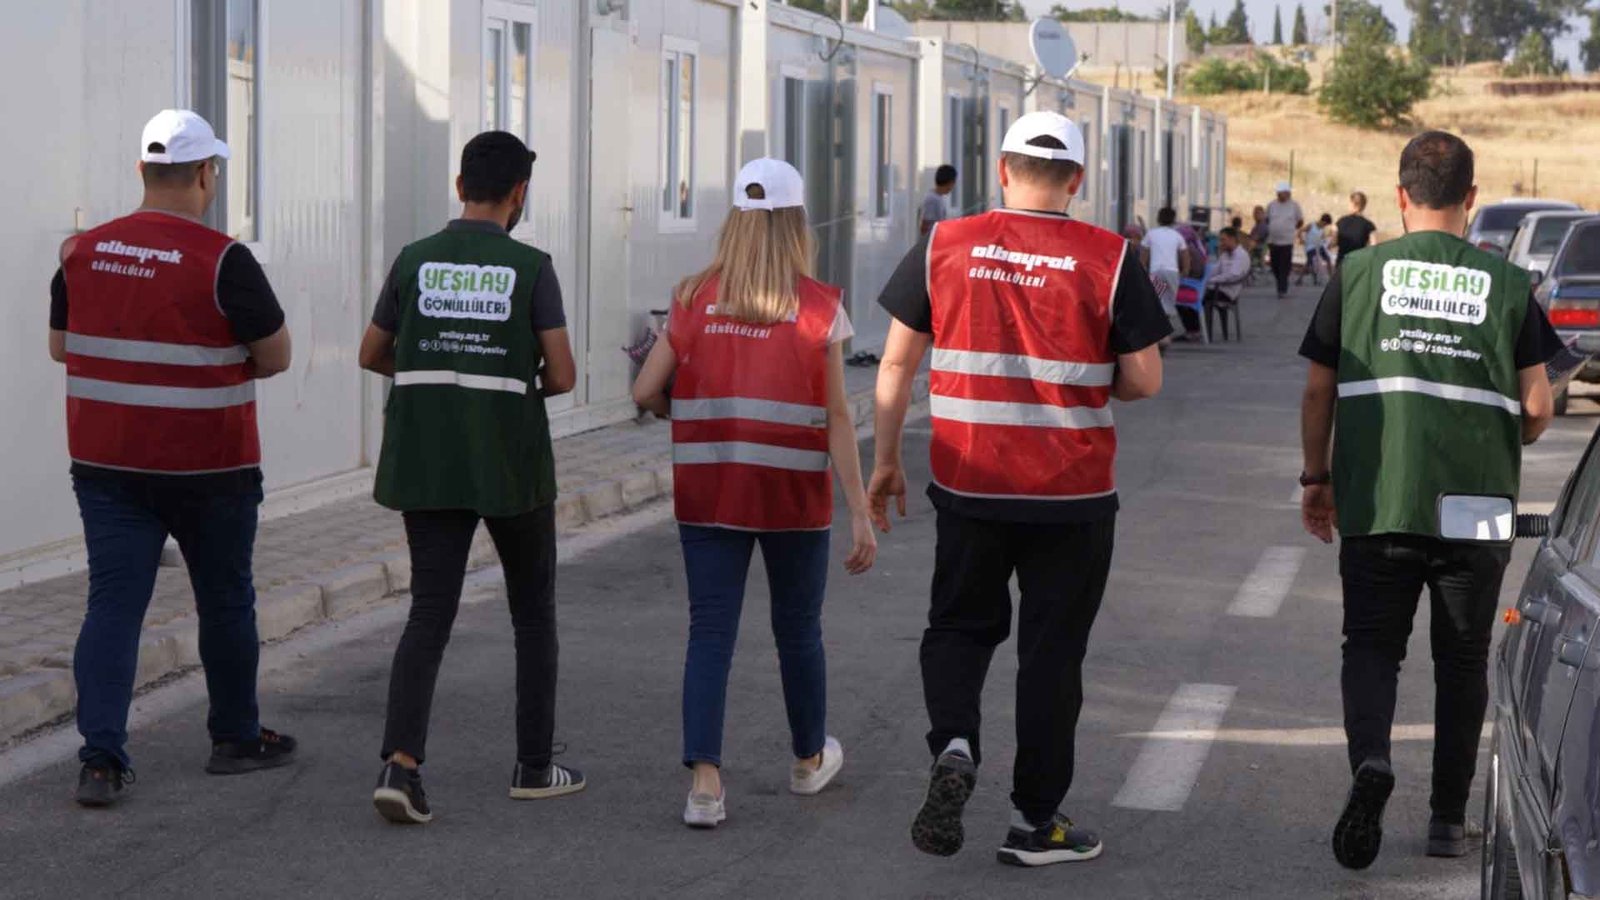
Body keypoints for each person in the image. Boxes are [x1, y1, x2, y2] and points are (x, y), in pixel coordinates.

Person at [869, 111, 1169, 868]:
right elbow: (1144, 378)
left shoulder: (946, 243)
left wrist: (885, 461)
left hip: (969, 482)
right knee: (1051, 655)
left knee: (959, 628)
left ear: (1002, 171)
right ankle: (1038, 822)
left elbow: (896, 365)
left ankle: (957, 743)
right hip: (1070, 496)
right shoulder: (1109, 256)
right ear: (1075, 181)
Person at [1298, 131, 1562, 870]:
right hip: (1475, 510)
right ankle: (1448, 821)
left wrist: (1315, 481)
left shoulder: (1355, 275)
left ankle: (1372, 763)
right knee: (1463, 658)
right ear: (1472, 200)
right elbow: (1538, 407)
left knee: (1373, 648)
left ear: (1400, 195)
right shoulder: (1507, 286)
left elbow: (1319, 389)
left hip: (1378, 498)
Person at [48, 109, 296, 807]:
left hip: (107, 469)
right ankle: (235, 738)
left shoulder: (81, 252)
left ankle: (100, 761)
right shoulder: (223, 260)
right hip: (209, 469)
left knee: (113, 607)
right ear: (205, 175)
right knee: (224, 600)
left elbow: (62, 348)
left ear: (141, 171)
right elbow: (275, 357)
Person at [630, 158, 877, 829]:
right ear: (798, 223)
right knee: (798, 629)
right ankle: (806, 760)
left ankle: (706, 785)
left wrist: (684, 408)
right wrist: (860, 510)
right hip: (794, 497)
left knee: (710, 631)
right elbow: (836, 417)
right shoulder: (820, 306)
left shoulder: (691, 298)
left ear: (735, 219)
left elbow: (645, 390)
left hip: (711, 492)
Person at [359, 131, 581, 825]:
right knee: (533, 612)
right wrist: (496, 381)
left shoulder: (415, 260)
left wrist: (440, 377)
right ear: (520, 195)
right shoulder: (530, 266)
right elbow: (565, 375)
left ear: (460, 187)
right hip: (510, 463)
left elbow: (374, 352)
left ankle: (401, 765)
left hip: (427, 459)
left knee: (430, 612)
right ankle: (535, 767)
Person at [1142, 207, 1192, 338]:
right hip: (1172, 272)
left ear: (1158, 218)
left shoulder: (1151, 234)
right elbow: (1185, 254)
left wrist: (1142, 270)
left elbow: (1144, 255)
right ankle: (1165, 333)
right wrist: (1185, 270)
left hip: (1156, 271)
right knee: (1169, 301)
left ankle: (1156, 332)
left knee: (1156, 300)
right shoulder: (1177, 235)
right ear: (1173, 220)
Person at [1205, 226, 1251, 339]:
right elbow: (1215, 271)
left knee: (1198, 299)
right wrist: (1204, 278)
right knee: (1189, 297)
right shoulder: (1225, 255)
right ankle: (1195, 330)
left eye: (1223, 240)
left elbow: (1232, 276)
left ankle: (1196, 331)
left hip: (1228, 292)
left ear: (1232, 239)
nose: (1221, 243)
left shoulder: (1241, 255)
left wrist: (1211, 281)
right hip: (1218, 288)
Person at [1266, 181, 1304, 298]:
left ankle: (1282, 289)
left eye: (1282, 193)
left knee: (1284, 266)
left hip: (1287, 242)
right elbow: (1267, 219)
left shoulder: (1294, 206)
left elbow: (1300, 220)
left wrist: (1291, 229)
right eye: (1278, 193)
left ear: (1288, 193)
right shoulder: (1271, 205)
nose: (1280, 195)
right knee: (1274, 265)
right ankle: (1280, 283)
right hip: (1273, 241)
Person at [1335, 191, 1378, 267]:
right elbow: (1374, 247)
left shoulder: (1341, 222)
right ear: (1364, 206)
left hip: (1342, 263)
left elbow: (1333, 241)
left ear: (1352, 203)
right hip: (1359, 263)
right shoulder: (1369, 225)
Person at [921, 164, 959, 235]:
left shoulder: (940, 197)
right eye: (953, 182)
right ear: (950, 182)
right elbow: (925, 226)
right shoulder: (932, 199)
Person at [1296, 214, 1332, 287]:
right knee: (1309, 262)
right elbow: (1300, 231)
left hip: (1319, 246)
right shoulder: (1311, 225)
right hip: (1310, 247)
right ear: (1323, 221)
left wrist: (1327, 243)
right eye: (1325, 224)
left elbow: (1322, 237)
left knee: (1328, 259)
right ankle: (1300, 279)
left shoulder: (1322, 229)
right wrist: (1301, 239)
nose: (1325, 226)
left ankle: (1331, 279)